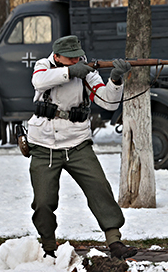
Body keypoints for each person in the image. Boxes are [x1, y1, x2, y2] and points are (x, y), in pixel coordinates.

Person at [27, 35, 137, 260]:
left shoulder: (88, 72)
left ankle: (114, 240)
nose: (76, 61)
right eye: (70, 58)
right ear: (56, 56)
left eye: (78, 57)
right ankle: (48, 246)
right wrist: (69, 72)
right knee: (44, 201)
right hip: (44, 144)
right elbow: (39, 81)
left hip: (77, 142)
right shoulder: (44, 65)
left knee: (99, 188)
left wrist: (115, 80)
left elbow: (107, 101)